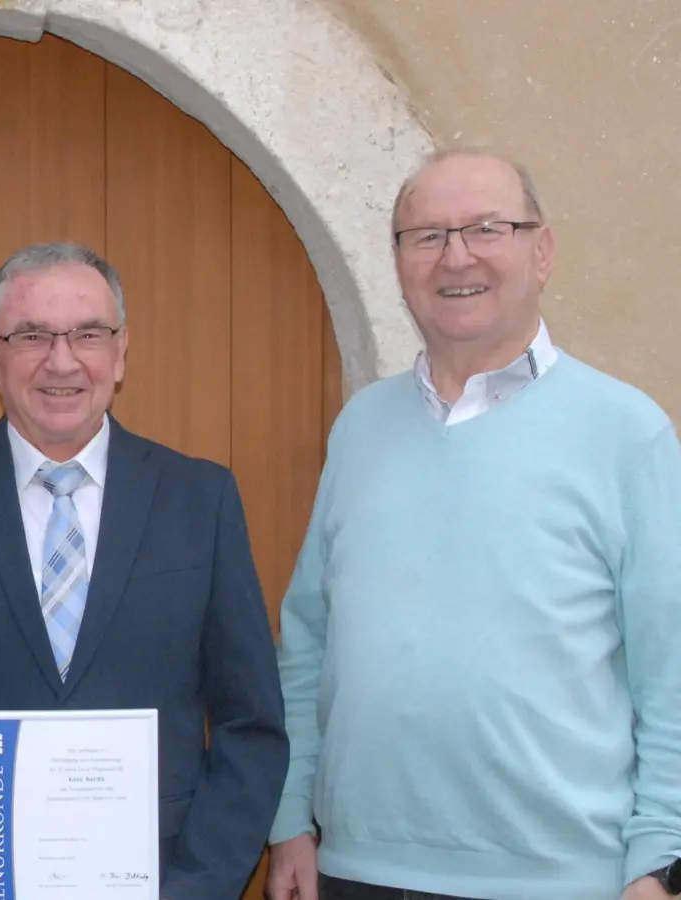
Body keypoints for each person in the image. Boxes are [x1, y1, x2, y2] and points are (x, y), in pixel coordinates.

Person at [264, 150, 681, 900]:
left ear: (542, 250)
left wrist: (660, 863)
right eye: (426, 236)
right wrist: (292, 815)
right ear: (396, 262)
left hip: (563, 883)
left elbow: (671, 668)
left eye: (488, 228)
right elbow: (307, 643)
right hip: (359, 872)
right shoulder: (362, 427)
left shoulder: (627, 431)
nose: (456, 256)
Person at [0, 241, 289, 899]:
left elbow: (251, 721)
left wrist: (196, 887)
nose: (62, 360)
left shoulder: (201, 498)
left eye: (88, 334)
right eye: (31, 336)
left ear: (121, 351)